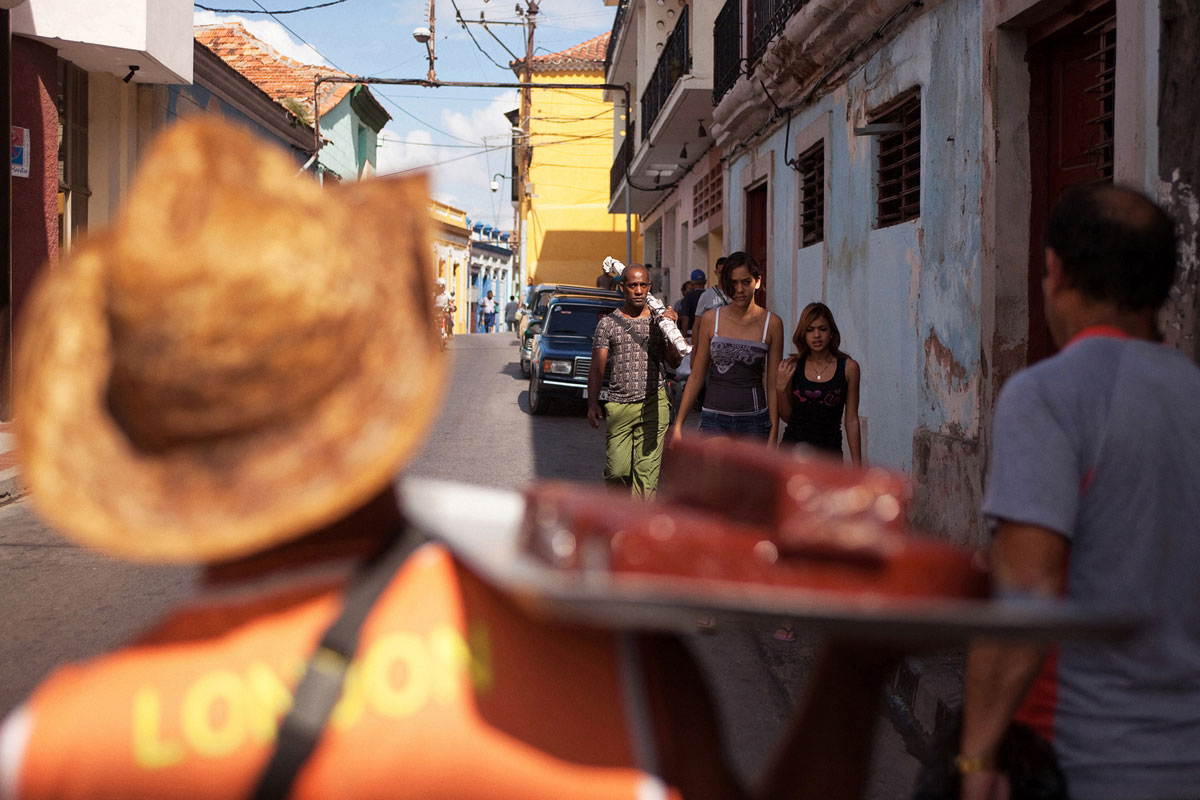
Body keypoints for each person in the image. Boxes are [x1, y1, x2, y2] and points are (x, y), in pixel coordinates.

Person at [0, 117, 909, 800]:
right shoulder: (609, 663)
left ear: (154, 454)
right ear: (383, 389)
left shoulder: (56, 749)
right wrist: (856, 668)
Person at [958, 185, 1200, 800]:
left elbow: (1027, 592)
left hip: (1076, 758)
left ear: (1056, 272)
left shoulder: (1049, 395)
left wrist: (976, 755)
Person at [587, 264, 682, 498]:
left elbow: (675, 362)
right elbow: (597, 368)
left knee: (646, 474)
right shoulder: (607, 324)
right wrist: (592, 404)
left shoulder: (660, 322)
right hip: (619, 405)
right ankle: (620, 515)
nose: (638, 290)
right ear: (622, 288)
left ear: (649, 287)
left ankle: (637, 530)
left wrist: (672, 329)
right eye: (632, 285)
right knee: (617, 471)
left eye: (642, 285)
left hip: (654, 402)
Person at [671, 252, 783, 443]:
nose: (739, 289)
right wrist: (678, 425)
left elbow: (772, 384)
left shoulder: (771, 324)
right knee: (715, 473)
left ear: (757, 281)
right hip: (714, 419)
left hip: (754, 421)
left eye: (746, 282)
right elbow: (697, 376)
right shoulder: (711, 320)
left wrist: (773, 433)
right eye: (733, 283)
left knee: (748, 474)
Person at [776, 302, 862, 466]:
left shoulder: (849, 368)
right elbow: (789, 418)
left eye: (822, 329)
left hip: (829, 456)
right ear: (803, 334)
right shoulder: (791, 366)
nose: (817, 335)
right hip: (793, 454)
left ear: (831, 332)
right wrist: (780, 389)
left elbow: (851, 419)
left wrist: (858, 467)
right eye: (810, 329)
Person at [692, 257, 730, 321]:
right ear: (716, 273)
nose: (723, 275)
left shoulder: (737, 294)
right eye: (721, 272)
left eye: (726, 272)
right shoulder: (706, 296)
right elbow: (697, 323)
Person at [678, 269, 708, 340]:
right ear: (705, 282)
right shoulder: (709, 295)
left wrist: (683, 337)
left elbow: (685, 317)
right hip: (706, 335)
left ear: (692, 282)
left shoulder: (688, 296)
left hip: (690, 335)